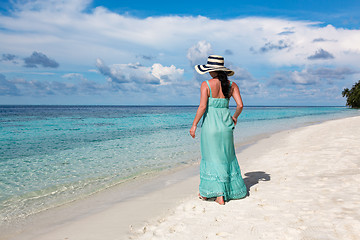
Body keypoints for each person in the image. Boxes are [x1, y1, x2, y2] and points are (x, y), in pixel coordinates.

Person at [190, 55, 247, 205]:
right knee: (226, 157)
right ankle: (226, 192)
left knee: (211, 158)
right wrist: (234, 117)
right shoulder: (232, 85)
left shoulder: (206, 84)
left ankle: (217, 194)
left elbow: (202, 107)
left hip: (210, 126)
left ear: (210, 70)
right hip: (226, 126)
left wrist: (194, 124)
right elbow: (240, 105)